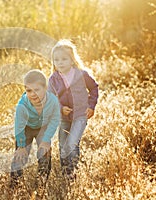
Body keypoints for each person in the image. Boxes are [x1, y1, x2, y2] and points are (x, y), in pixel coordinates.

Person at [48, 39, 99, 181]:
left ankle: (73, 171)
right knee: (63, 144)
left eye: (64, 59)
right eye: (56, 60)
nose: (60, 62)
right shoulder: (53, 79)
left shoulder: (82, 75)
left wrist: (91, 106)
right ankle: (65, 171)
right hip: (63, 118)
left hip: (80, 115)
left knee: (72, 143)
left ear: (72, 60)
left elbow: (94, 88)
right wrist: (60, 108)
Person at [10, 69, 60, 189]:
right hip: (26, 129)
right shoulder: (22, 105)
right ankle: (15, 186)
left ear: (45, 88)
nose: (33, 94)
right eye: (29, 91)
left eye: (37, 90)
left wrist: (46, 139)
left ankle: (41, 186)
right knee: (20, 157)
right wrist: (21, 146)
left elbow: (54, 120)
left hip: (42, 128)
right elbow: (19, 126)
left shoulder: (53, 101)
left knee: (45, 154)